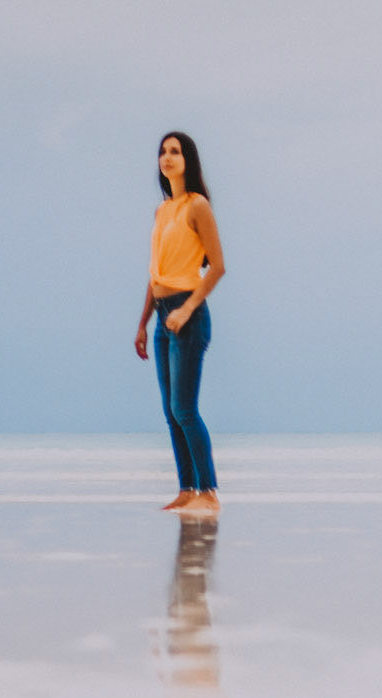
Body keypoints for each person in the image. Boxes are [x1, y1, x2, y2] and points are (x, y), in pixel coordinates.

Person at [134, 132, 226, 518]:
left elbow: (217, 267)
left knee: (185, 408)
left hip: (188, 316)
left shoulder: (197, 206)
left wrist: (186, 310)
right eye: (163, 152)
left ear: (188, 160)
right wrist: (142, 323)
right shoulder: (162, 211)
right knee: (170, 412)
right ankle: (187, 490)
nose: (167, 157)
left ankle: (209, 490)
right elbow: (155, 274)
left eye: (175, 151)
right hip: (161, 316)